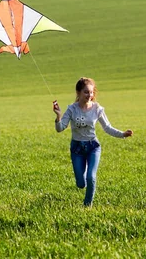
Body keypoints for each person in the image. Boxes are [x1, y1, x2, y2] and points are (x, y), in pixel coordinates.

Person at [53, 77, 133, 207]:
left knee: (91, 177)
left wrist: (122, 134)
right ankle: (82, 177)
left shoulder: (97, 109)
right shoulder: (72, 109)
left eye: (91, 92)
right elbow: (60, 128)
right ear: (78, 93)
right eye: (86, 92)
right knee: (81, 183)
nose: (89, 95)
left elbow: (107, 127)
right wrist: (58, 116)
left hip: (93, 147)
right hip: (77, 149)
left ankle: (87, 206)